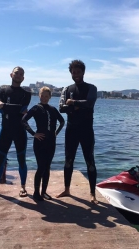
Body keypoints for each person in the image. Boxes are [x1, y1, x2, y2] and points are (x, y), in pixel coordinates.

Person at [56, 59, 98, 204]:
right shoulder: (67, 89)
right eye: (73, 72)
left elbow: (90, 103)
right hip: (71, 130)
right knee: (68, 160)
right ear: (71, 74)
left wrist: (73, 103)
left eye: (78, 72)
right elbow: (61, 108)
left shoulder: (91, 88)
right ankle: (67, 189)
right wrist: (80, 106)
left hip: (86, 131)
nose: (76, 75)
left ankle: (93, 194)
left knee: (90, 162)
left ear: (83, 72)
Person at [0, 66, 31, 198]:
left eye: (21, 74)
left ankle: (23, 188)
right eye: (16, 73)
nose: (18, 76)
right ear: (11, 75)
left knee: (21, 160)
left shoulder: (27, 94)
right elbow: (8, 109)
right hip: (5, 130)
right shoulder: (3, 91)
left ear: (23, 78)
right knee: (0, 159)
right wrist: (7, 108)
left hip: (20, 131)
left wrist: (4, 106)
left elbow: (20, 109)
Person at [22, 87, 65, 201]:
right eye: (42, 96)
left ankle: (44, 192)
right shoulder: (36, 108)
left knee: (47, 167)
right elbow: (23, 121)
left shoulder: (53, 109)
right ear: (39, 96)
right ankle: (36, 192)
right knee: (41, 167)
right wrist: (33, 134)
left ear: (50, 97)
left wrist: (56, 132)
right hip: (40, 141)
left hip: (51, 141)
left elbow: (62, 121)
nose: (44, 98)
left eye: (47, 96)